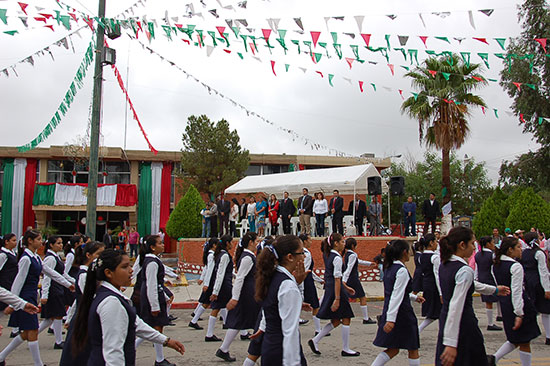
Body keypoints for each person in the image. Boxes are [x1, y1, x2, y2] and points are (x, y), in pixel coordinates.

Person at [68, 249, 185, 365]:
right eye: (124, 267)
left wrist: (165, 340)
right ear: (109, 273)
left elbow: (136, 324)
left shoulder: (110, 296)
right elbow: (113, 352)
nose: (131, 271)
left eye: (130, 266)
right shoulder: (111, 302)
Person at [435, 227, 509, 366]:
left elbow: (472, 285)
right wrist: (451, 343)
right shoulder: (464, 270)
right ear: (462, 245)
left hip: (446, 320)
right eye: (472, 243)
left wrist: (494, 290)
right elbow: (457, 306)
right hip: (463, 323)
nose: (474, 247)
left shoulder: (445, 264)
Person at [0, 230, 75, 366]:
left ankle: (1, 357)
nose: (41, 242)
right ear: (30, 241)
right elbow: (19, 280)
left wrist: (68, 284)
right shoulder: (25, 258)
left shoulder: (35, 257)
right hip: (25, 296)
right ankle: (38, 364)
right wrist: (13, 302)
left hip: (31, 296)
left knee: (27, 333)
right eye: (39, 239)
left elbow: (51, 272)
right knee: (33, 330)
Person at [255, 235, 308, 365]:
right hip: (282, 351)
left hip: (270, 347)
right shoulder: (287, 285)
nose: (304, 257)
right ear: (290, 257)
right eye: (302, 252)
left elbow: (270, 308)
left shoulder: (273, 277)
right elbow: (290, 332)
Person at [371, 240, 425, 366]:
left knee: (393, 349)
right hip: (402, 313)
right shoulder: (401, 271)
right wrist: (391, 320)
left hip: (391, 310)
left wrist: (413, 297)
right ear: (404, 252)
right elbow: (397, 295)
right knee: (412, 348)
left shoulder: (389, 267)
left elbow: (396, 291)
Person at [489, 236, 541, 366]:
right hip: (518, 304)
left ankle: (493, 358)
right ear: (510, 250)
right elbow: (517, 291)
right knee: (524, 340)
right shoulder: (515, 266)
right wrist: (519, 313)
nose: (521, 249)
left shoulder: (496, 265)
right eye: (518, 247)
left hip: (505, 303)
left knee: (516, 338)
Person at [308, 233, 359, 357]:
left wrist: (346, 287)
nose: (344, 244)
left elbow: (335, 277)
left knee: (336, 320)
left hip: (332, 288)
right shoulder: (336, 258)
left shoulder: (328, 255)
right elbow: (337, 278)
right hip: (336, 290)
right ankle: (346, 348)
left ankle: (315, 340)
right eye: (342, 241)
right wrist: (337, 298)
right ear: (336, 243)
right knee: (346, 318)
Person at [216, 232, 261, 362]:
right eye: (256, 241)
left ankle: (224, 349)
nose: (257, 243)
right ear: (251, 242)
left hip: (248, 293)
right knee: (253, 321)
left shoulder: (249, 256)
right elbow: (240, 278)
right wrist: (235, 297)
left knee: (239, 321)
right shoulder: (247, 258)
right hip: (247, 294)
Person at [60, 241, 105, 365]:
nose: (101, 257)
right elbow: (86, 299)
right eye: (98, 254)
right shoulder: (84, 276)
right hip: (84, 319)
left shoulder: (92, 274)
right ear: (88, 255)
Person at [137, 235, 176, 366]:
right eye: (160, 243)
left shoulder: (153, 260)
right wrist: (154, 305)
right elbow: (151, 284)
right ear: (152, 247)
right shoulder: (152, 262)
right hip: (151, 297)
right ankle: (159, 359)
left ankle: (160, 358)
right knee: (153, 328)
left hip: (156, 295)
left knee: (154, 328)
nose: (163, 245)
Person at [40, 236, 75, 349]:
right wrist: (45, 294)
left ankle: (32, 334)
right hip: (53, 289)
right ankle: (58, 341)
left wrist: (73, 281)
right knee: (58, 315)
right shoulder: (50, 258)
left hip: (58, 287)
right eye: (58, 243)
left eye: (61, 243)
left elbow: (62, 273)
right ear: (51, 245)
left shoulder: (56, 257)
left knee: (51, 318)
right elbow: (47, 277)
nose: (61, 245)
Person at [520, 231, 550, 345]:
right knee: (546, 311)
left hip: (528, 282)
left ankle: (527, 332)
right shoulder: (539, 253)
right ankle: (548, 336)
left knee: (531, 309)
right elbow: (543, 272)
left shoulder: (524, 252)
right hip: (538, 283)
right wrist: (547, 289)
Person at [206, 235, 234, 342]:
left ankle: (209, 333)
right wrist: (215, 291)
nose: (232, 244)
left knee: (216, 308)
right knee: (234, 306)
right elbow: (220, 273)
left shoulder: (219, 254)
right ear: (227, 243)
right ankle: (243, 331)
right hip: (224, 286)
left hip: (221, 285)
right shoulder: (225, 255)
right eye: (231, 242)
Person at [342, 238, 376, 324]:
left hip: (350, 278)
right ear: (353, 246)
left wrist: (369, 263)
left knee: (345, 297)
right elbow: (349, 268)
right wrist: (344, 280)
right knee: (362, 297)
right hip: (353, 278)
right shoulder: (352, 255)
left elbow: (358, 261)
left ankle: (343, 316)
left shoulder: (348, 254)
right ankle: (365, 317)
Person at [189, 238, 218, 330]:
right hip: (211, 282)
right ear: (214, 245)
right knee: (206, 302)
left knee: (216, 302)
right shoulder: (211, 256)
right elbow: (209, 269)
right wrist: (206, 282)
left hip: (210, 281)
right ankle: (194, 320)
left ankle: (195, 316)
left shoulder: (210, 255)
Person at [474, 236, 503, 331]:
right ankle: (491, 322)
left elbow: (477, 268)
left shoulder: (478, 255)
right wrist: (497, 281)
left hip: (482, 277)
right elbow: (493, 269)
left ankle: (498, 316)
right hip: (490, 278)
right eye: (492, 243)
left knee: (488, 301)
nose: (494, 245)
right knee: (495, 298)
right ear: (488, 244)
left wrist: (476, 278)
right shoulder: (492, 255)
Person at [298, 234, 324, 335]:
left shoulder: (299, 252)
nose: (311, 242)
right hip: (306, 282)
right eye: (309, 240)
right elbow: (306, 270)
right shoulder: (306, 254)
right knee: (315, 306)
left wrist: (319, 279)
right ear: (304, 241)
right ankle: (318, 329)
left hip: (304, 281)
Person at [417, 234, 442, 333]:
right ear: (431, 243)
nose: (437, 244)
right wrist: (441, 292)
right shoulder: (435, 257)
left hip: (426, 284)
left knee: (435, 312)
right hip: (434, 286)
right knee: (437, 311)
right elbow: (437, 275)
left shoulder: (421, 256)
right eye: (436, 241)